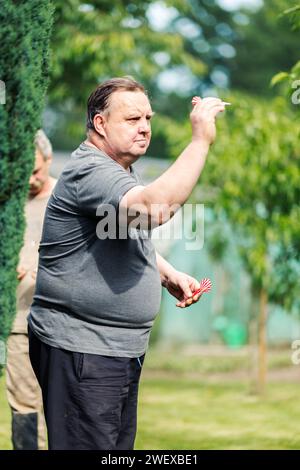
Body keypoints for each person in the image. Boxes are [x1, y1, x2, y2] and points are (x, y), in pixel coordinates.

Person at [27, 77, 226, 450]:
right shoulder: (90, 171)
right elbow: (153, 209)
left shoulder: (117, 172)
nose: (145, 127)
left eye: (148, 118)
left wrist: (166, 273)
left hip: (114, 350)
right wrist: (200, 140)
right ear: (100, 124)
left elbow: (123, 231)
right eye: (133, 119)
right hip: (84, 349)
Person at [6, 130, 57, 450]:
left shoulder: (68, 197)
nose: (29, 178)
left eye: (36, 170)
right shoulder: (8, 204)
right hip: (19, 322)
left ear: (49, 160)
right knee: (23, 405)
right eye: (23, 169)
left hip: (64, 322)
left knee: (66, 407)